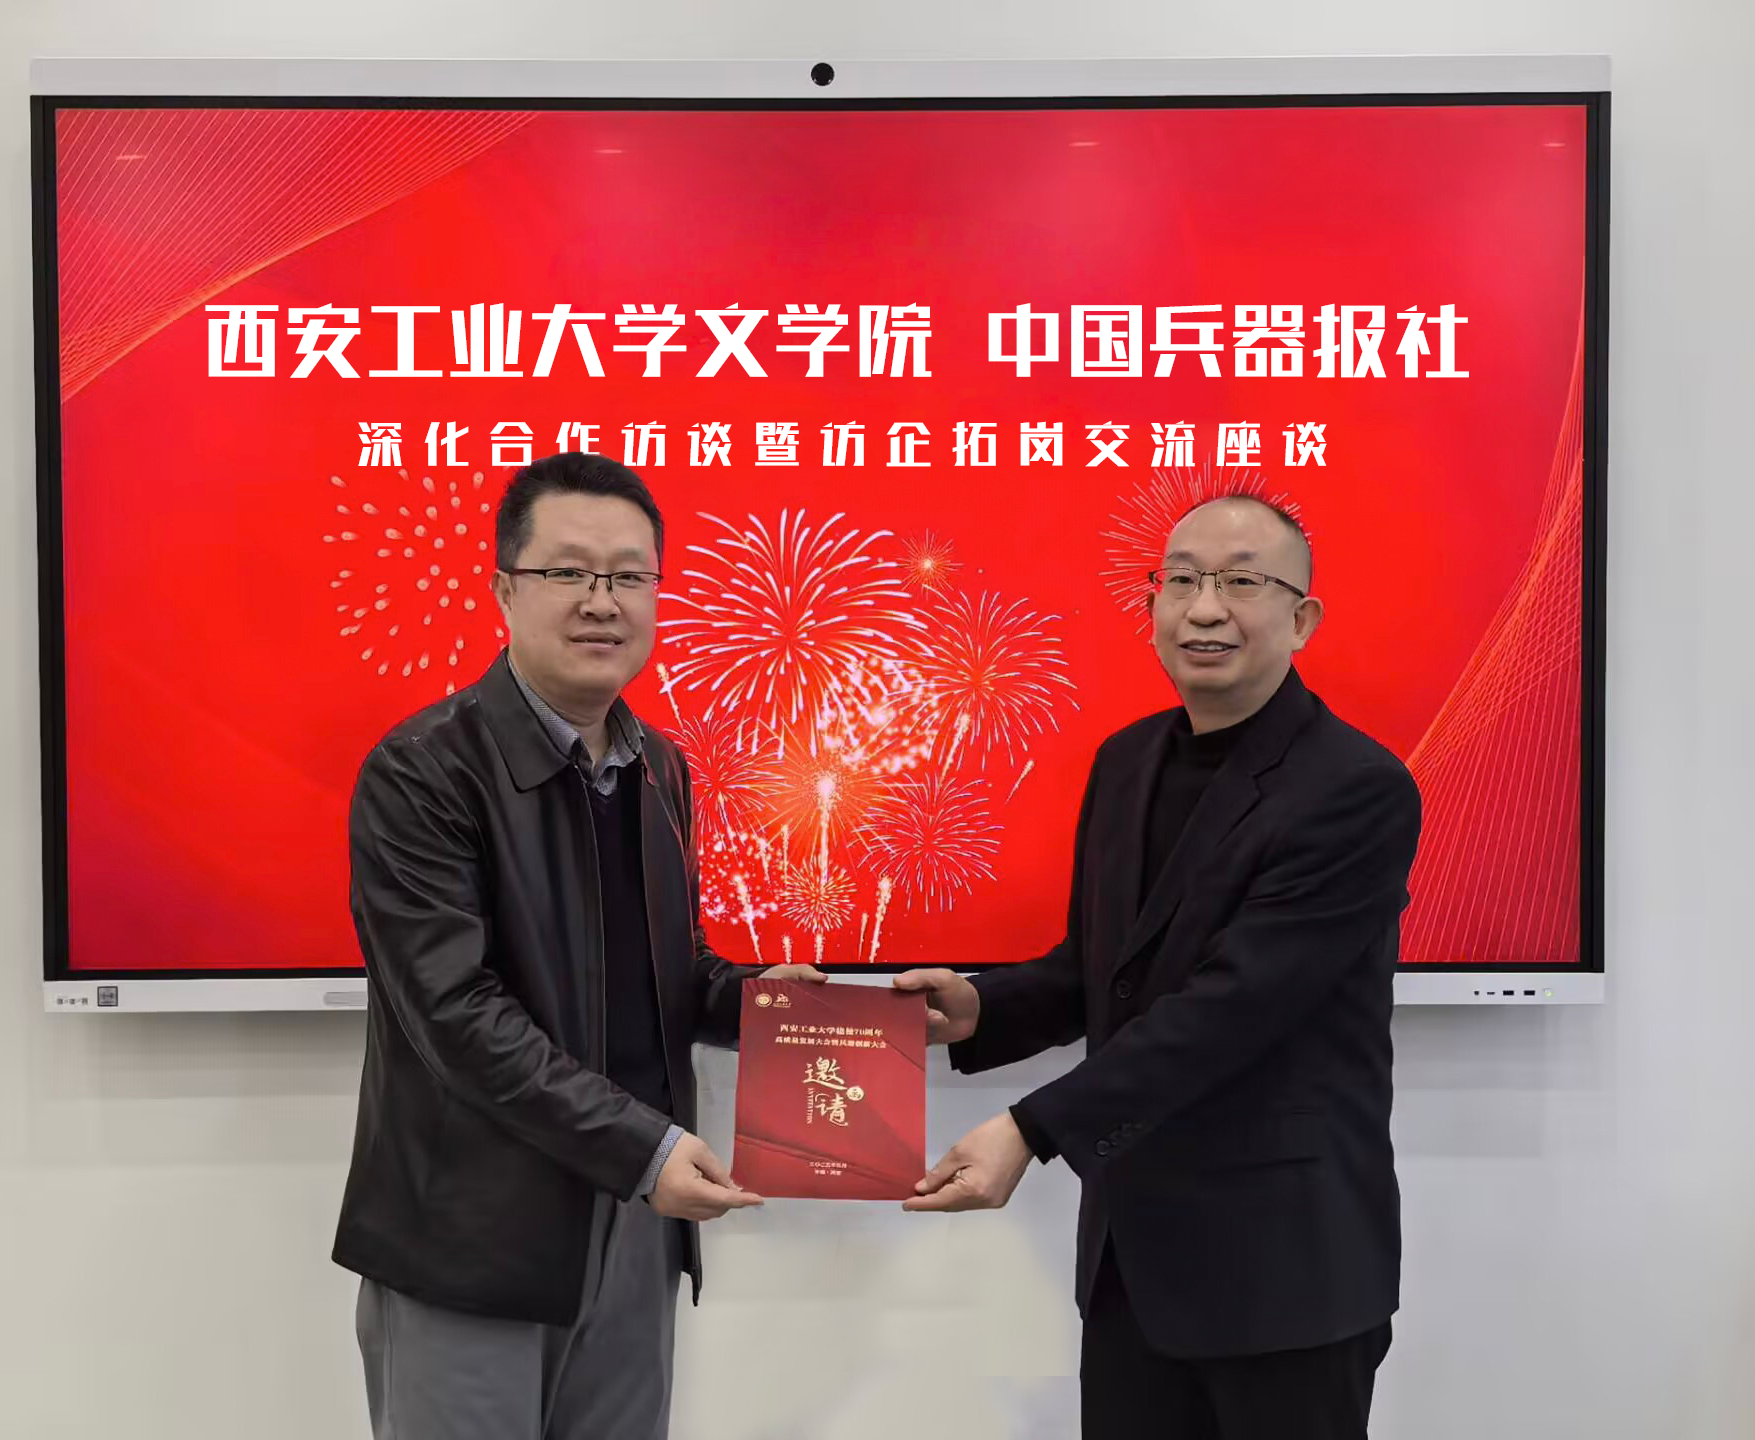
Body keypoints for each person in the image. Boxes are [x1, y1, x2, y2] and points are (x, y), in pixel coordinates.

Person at [896, 494, 1423, 1440]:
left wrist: (1031, 1128)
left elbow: (1231, 1008)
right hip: (1133, 1262)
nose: (1204, 608)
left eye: (1240, 581)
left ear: (1303, 619)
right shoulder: (1126, 761)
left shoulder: (1356, 788)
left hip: (1285, 1273)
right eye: (1180, 581)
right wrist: (977, 1005)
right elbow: (1102, 968)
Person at [332, 451, 823, 1440]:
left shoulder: (658, 768)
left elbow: (667, 974)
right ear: (505, 589)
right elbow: (458, 1017)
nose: (603, 602)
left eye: (629, 576)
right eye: (569, 572)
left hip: (636, 1221)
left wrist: (779, 1007)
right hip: (477, 1241)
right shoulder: (422, 772)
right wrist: (645, 1148)